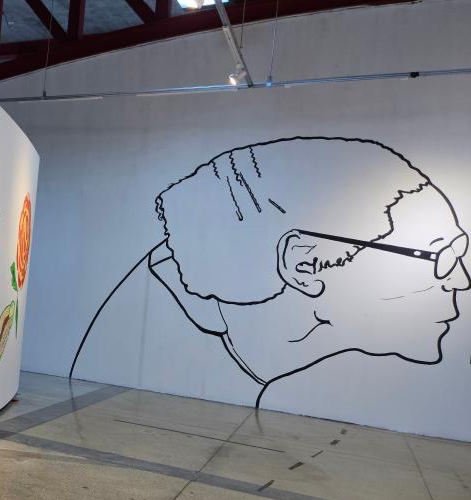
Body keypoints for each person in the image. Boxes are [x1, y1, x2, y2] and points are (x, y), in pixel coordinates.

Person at [72, 137, 469, 407]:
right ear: (304, 265)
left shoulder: (260, 369)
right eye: (441, 256)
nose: (461, 280)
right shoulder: (142, 354)